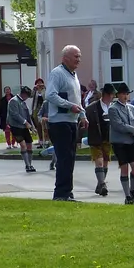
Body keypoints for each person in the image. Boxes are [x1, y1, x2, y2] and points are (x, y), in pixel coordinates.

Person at [44, 47, 87, 201]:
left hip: (71, 122)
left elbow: (76, 99)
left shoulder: (73, 75)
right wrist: (70, 106)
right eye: (76, 56)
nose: (79, 59)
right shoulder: (57, 73)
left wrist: (82, 115)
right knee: (64, 159)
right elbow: (50, 95)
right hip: (59, 122)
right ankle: (61, 194)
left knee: (70, 158)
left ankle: (67, 192)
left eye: (80, 56)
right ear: (66, 57)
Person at [86, 84, 115, 197]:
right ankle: (103, 184)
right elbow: (84, 123)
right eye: (112, 94)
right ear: (106, 95)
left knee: (106, 162)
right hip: (96, 137)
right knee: (99, 161)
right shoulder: (92, 107)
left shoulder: (113, 107)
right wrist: (78, 139)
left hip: (108, 138)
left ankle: (100, 184)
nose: (113, 96)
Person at [6, 86, 37, 173]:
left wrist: (32, 127)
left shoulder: (23, 103)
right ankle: (27, 165)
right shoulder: (13, 101)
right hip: (16, 127)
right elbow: (15, 115)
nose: (27, 98)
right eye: (27, 96)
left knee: (29, 144)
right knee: (23, 145)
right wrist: (25, 123)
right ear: (24, 94)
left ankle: (30, 164)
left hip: (24, 127)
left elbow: (27, 115)